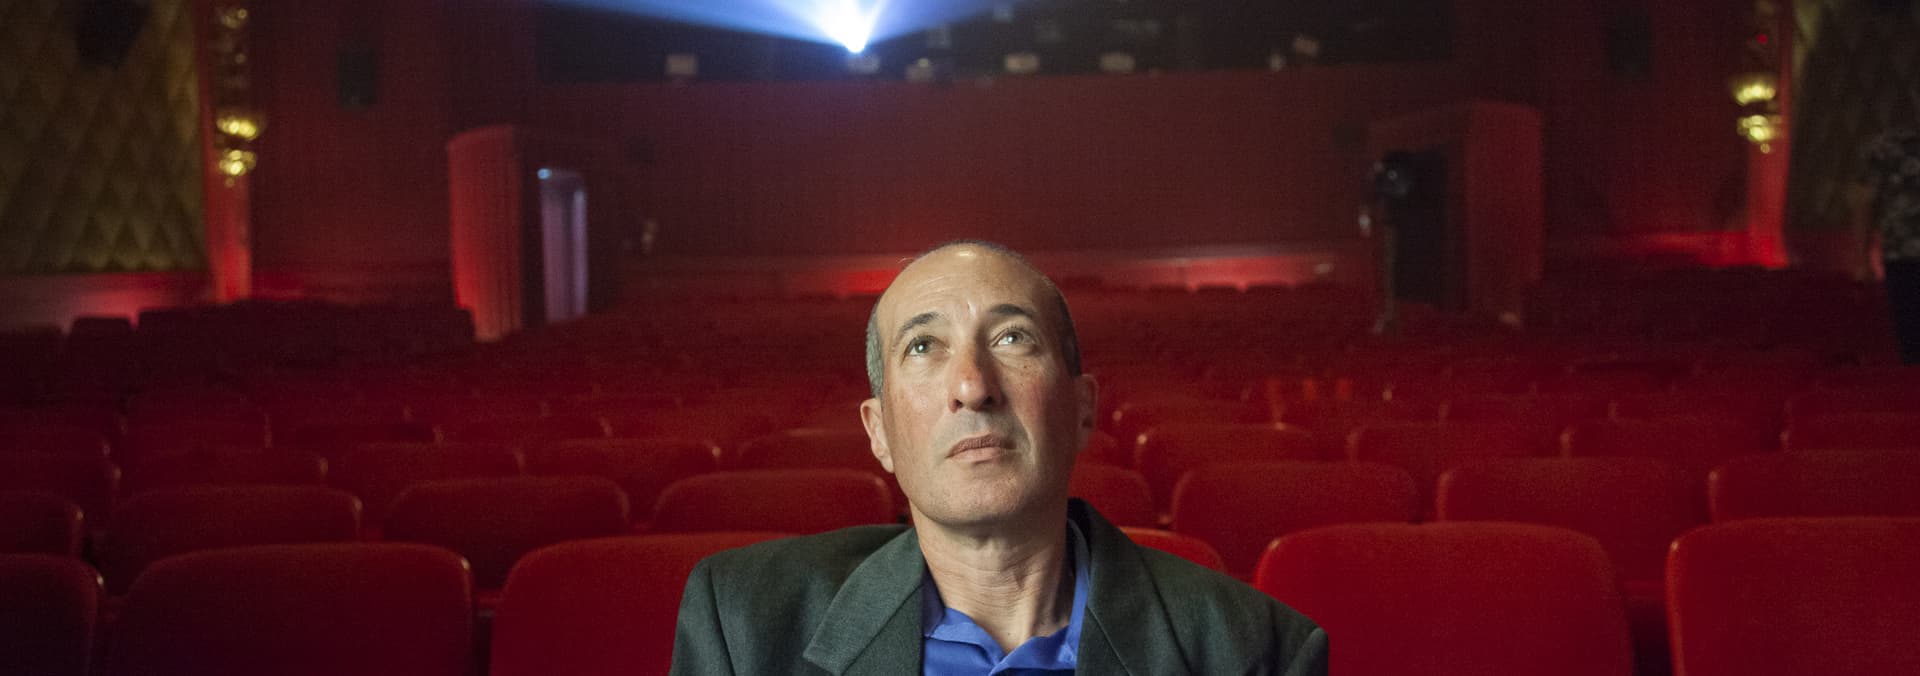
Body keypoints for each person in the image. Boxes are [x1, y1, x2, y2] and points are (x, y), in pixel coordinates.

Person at [670, 241, 1328, 675]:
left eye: (1014, 338)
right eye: (923, 347)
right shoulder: (745, 624)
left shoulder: (1254, 649)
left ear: (1081, 409)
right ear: (879, 433)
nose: (972, 385)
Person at [1864, 126, 1920, 364]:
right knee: (1910, 338)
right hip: (1901, 254)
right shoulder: (1889, 147)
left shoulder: (1888, 146)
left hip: (1900, 253)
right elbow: (1866, 199)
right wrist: (1861, 257)